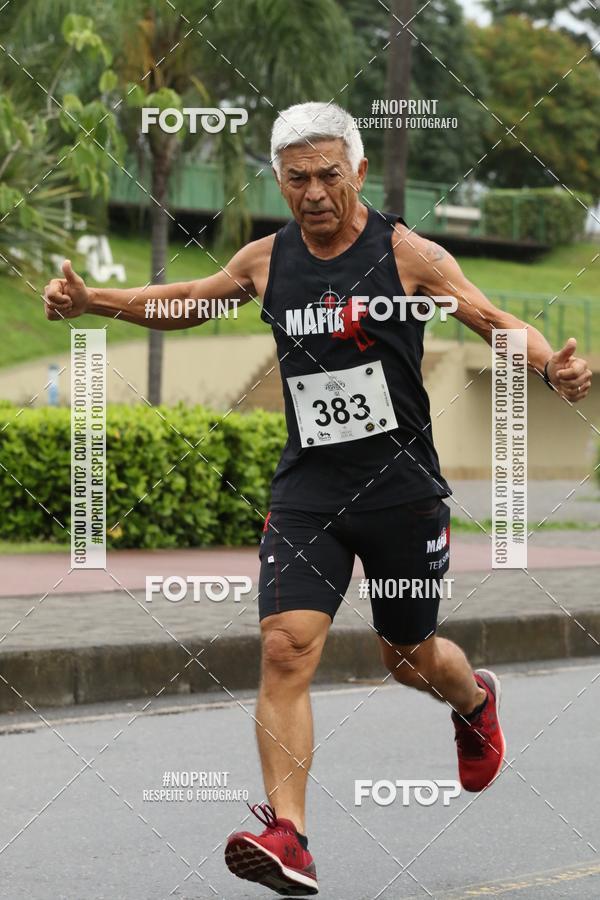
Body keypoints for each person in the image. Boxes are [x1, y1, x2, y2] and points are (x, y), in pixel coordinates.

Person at [44, 102, 592, 897]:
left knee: (407, 658)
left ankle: (473, 700)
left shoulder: (407, 254)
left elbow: (490, 317)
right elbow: (191, 300)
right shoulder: (267, 260)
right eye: (297, 178)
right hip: (308, 492)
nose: (314, 192)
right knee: (285, 646)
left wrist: (550, 366)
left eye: (329, 175)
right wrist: (94, 301)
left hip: (402, 492)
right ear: (279, 180)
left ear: (358, 172)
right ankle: (289, 836)